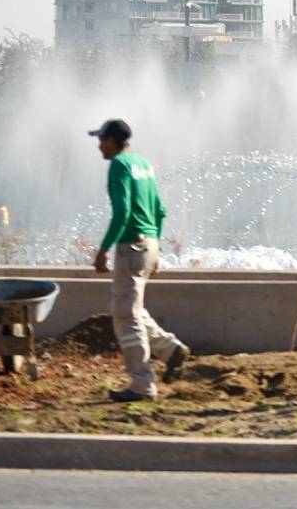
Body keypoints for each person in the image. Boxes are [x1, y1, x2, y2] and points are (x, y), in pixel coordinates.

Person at [90, 118, 189, 402]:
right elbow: (159, 209)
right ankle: (170, 350)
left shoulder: (119, 165)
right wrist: (155, 248)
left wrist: (103, 249)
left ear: (112, 140)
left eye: (101, 140)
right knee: (132, 309)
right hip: (148, 243)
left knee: (125, 314)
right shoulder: (143, 163)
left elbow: (122, 212)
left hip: (131, 245)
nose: (99, 146)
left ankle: (142, 384)